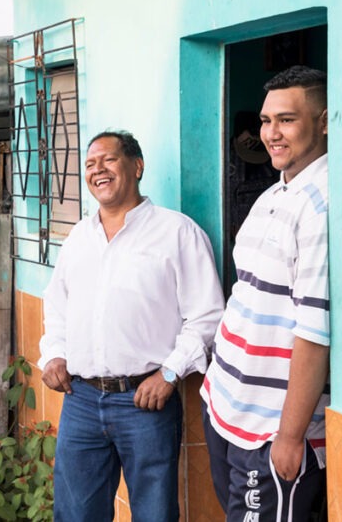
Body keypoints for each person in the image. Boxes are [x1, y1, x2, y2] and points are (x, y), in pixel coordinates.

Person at [39, 130, 225, 521]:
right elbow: (57, 305)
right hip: (81, 402)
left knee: (154, 515)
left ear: (136, 166)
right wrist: (54, 354)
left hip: (144, 401)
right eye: (89, 164)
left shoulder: (177, 233)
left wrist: (170, 373)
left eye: (108, 160)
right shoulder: (78, 237)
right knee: (75, 514)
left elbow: (207, 316)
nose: (97, 170)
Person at [200, 65, 330, 521]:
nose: (271, 134)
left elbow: (315, 331)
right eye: (265, 120)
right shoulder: (275, 192)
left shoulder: (322, 205)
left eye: (287, 120)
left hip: (272, 431)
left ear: (324, 121)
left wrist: (291, 436)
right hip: (227, 406)